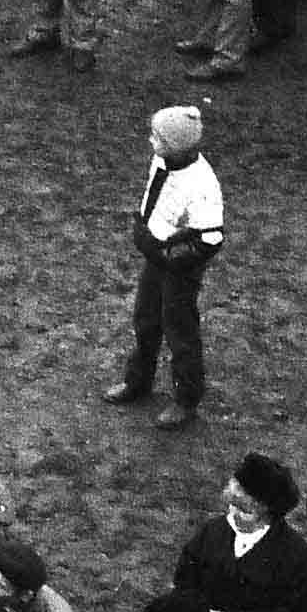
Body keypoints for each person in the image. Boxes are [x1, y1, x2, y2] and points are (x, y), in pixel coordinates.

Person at [105, 107, 224, 428]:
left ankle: (186, 398)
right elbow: (152, 197)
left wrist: (173, 258)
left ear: (178, 145)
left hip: (179, 267)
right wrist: (142, 227)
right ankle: (138, 381)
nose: (150, 140)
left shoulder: (202, 185)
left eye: (157, 137)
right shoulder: (163, 160)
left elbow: (210, 239)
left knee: (179, 330)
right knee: (145, 319)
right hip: (157, 257)